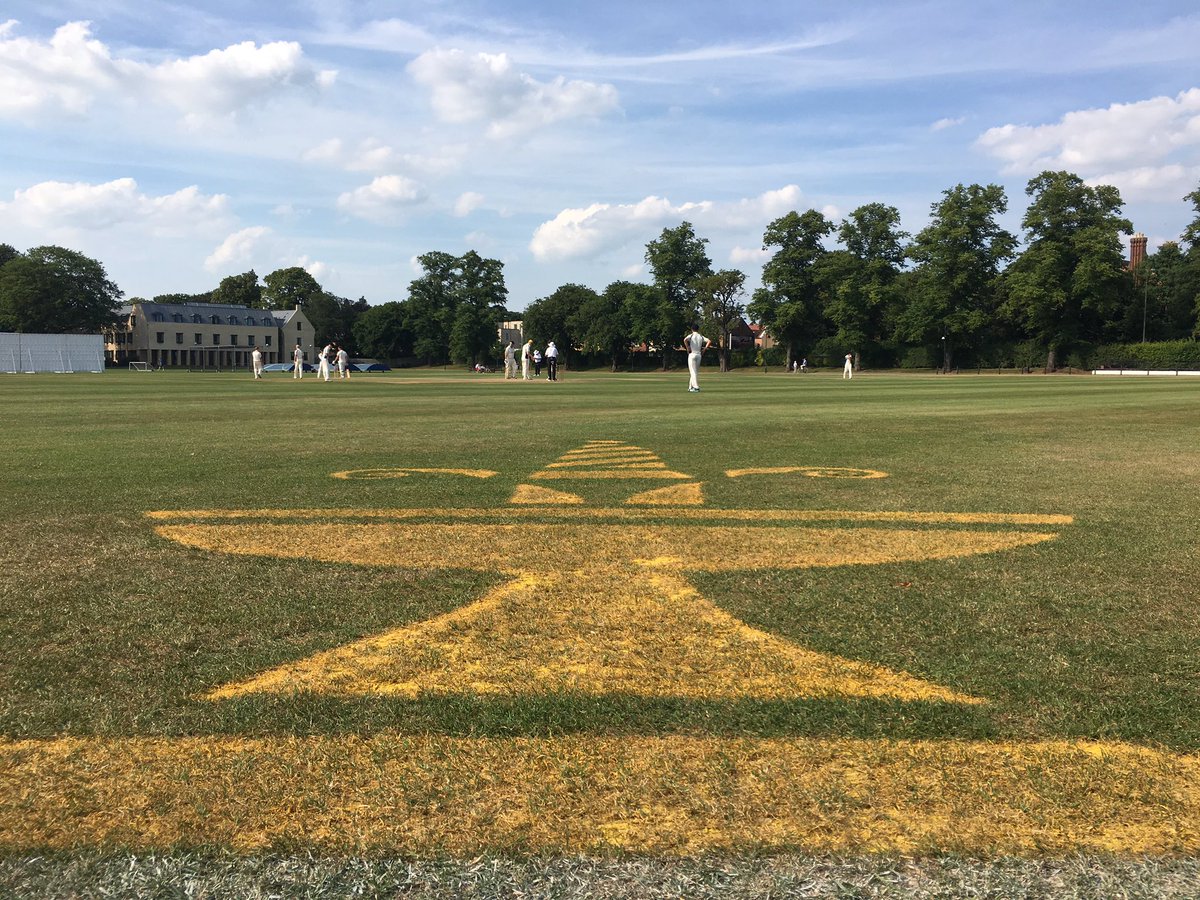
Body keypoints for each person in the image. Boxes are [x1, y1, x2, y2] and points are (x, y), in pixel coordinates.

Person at [682, 324, 711, 392]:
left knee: (693, 371)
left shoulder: (691, 335)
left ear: (692, 329)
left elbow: (685, 340)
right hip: (699, 355)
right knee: (695, 371)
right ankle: (690, 387)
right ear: (698, 329)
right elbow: (709, 341)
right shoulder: (700, 336)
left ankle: (696, 387)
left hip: (692, 354)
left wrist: (687, 347)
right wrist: (704, 349)